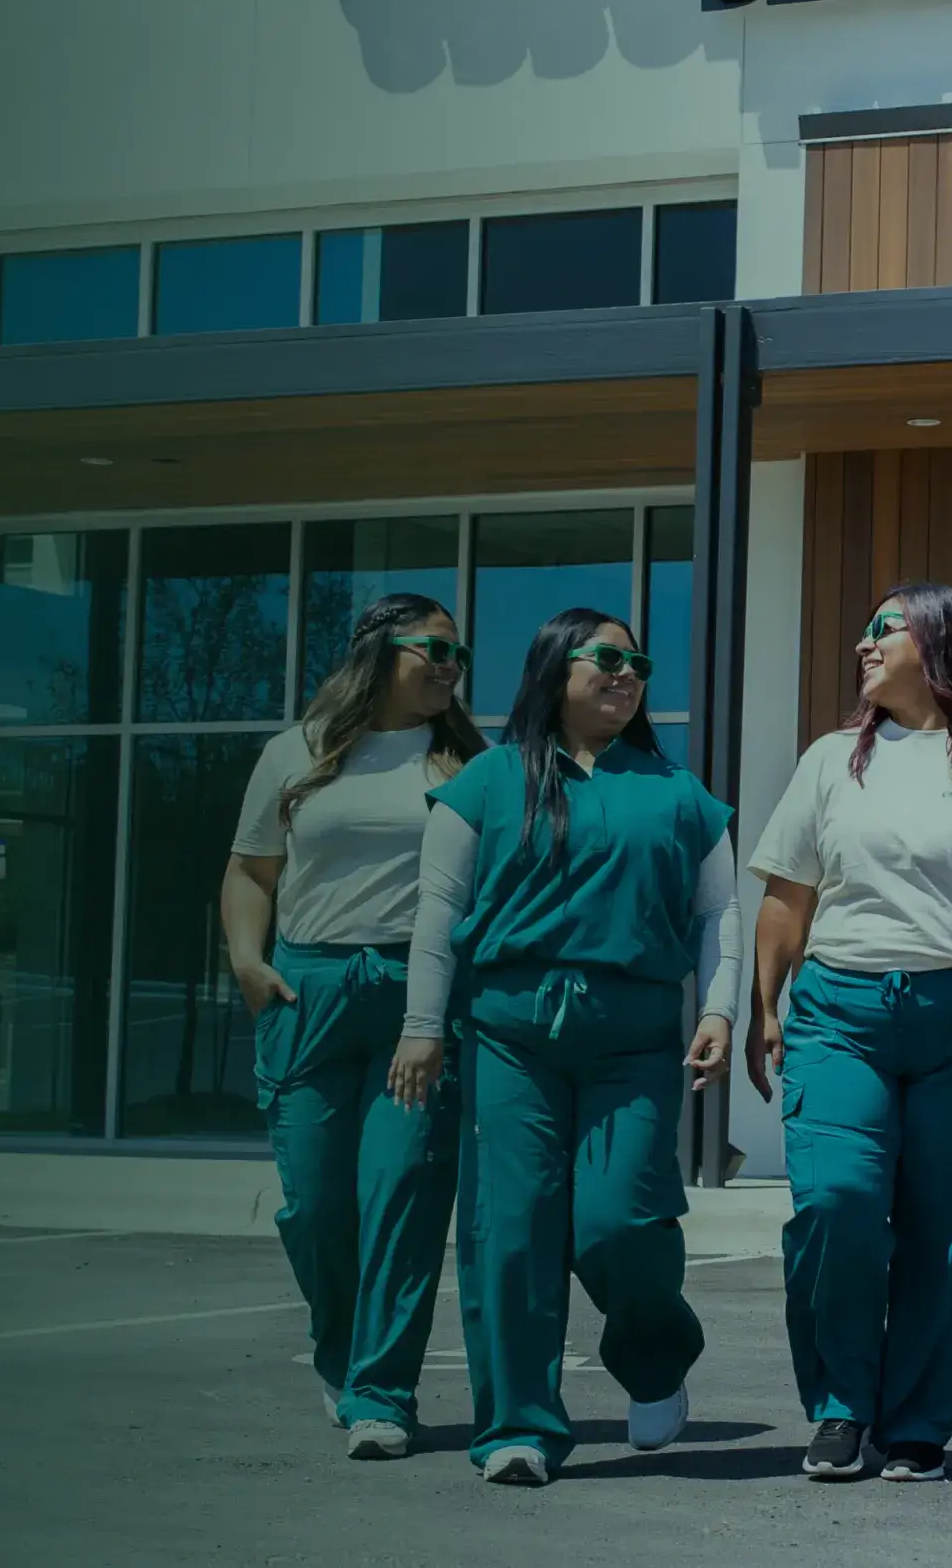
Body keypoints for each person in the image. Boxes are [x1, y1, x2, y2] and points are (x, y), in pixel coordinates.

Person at [390, 608, 741, 1485]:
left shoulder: (679, 794)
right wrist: (423, 1026)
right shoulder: (487, 780)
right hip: (511, 1040)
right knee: (511, 1233)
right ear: (554, 668)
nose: (627, 674)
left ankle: (656, 1363)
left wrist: (719, 1011)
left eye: (639, 664)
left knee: (620, 1220)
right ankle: (519, 1428)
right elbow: (438, 912)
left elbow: (720, 914)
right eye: (608, 659)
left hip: (634, 1042)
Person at [745, 584, 952, 1484]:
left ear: (938, 643)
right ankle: (841, 1405)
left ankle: (920, 1420)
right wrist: (764, 1004)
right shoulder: (830, 762)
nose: (864, 644)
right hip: (842, 1014)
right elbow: (788, 894)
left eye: (884, 630)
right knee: (836, 1201)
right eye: (865, 630)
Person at [221, 593, 482, 1458]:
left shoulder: (467, 761)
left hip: (420, 995)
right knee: (316, 1204)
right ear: (378, 650)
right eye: (433, 648)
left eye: (458, 653)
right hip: (309, 993)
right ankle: (339, 1350)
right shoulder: (294, 753)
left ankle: (382, 1393)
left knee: (404, 1196)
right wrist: (248, 961)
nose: (449, 665)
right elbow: (251, 871)